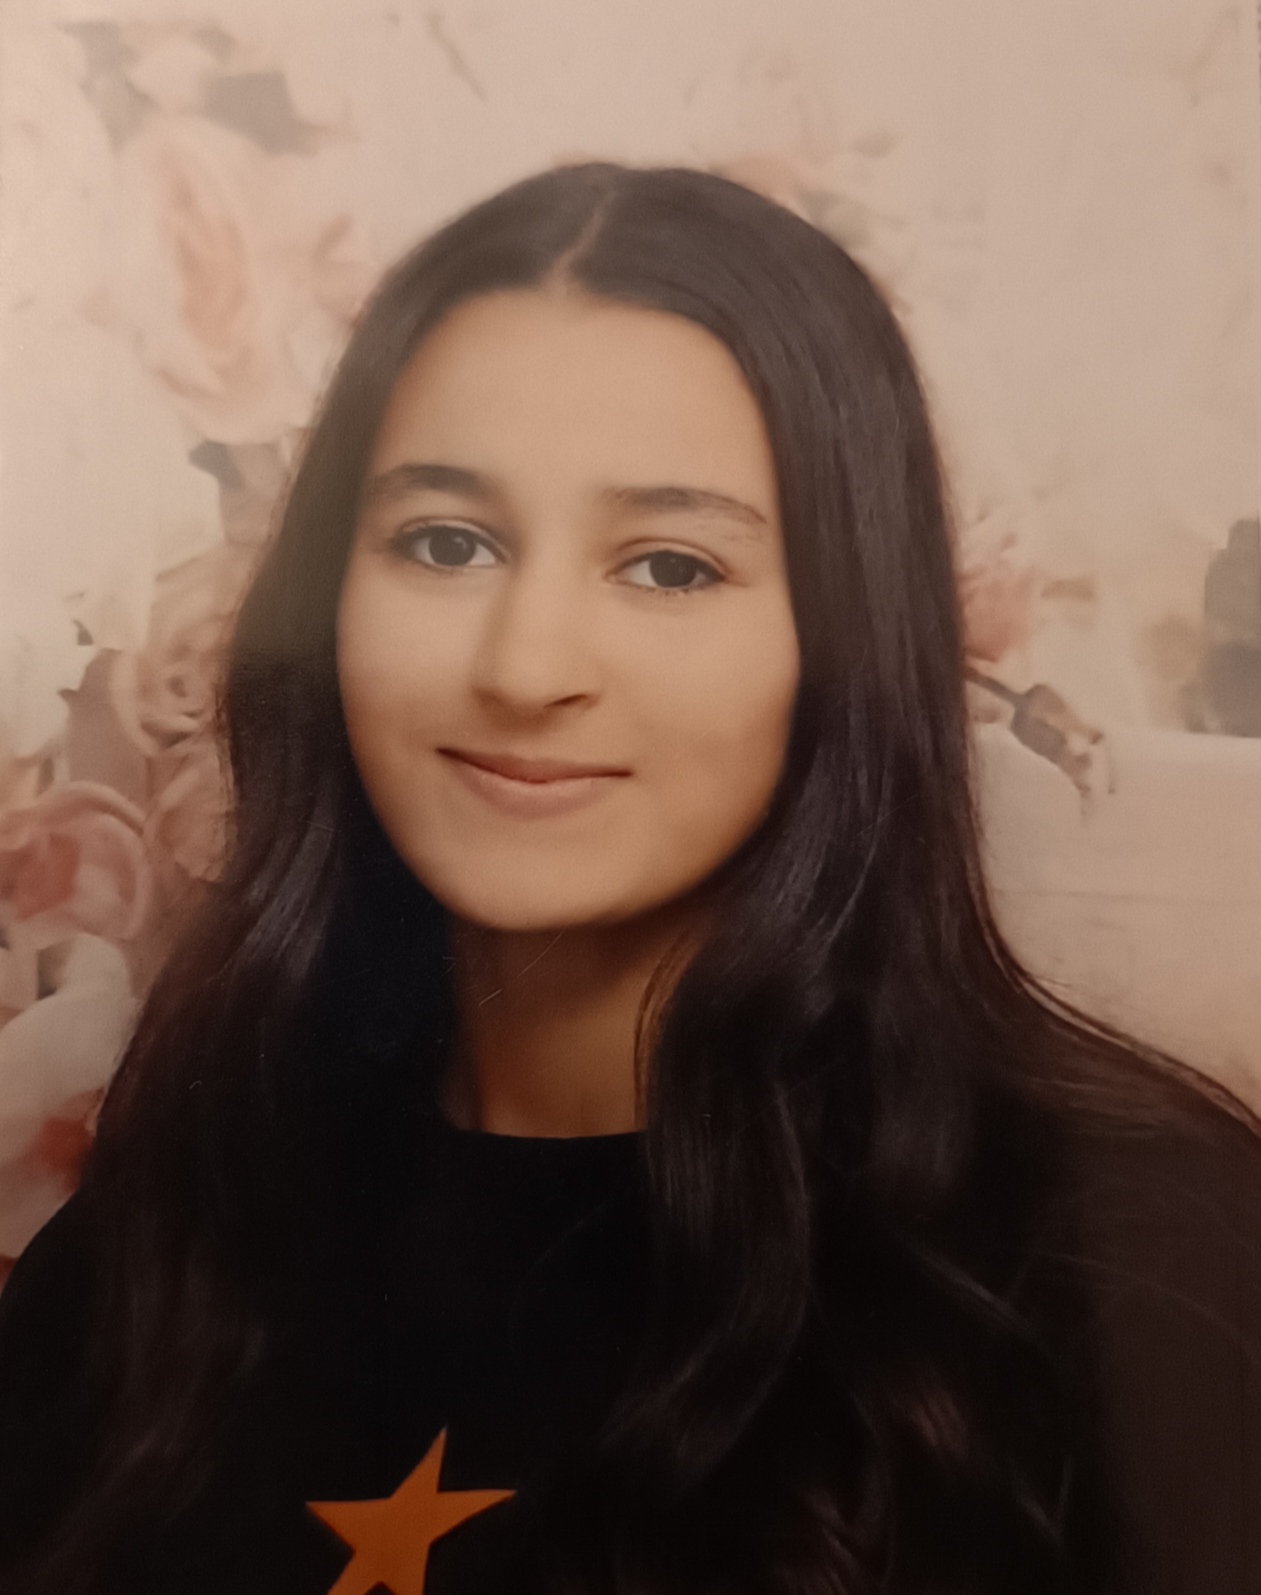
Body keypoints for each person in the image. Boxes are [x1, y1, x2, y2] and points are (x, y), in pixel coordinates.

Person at [0, 162, 1258, 1595]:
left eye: (668, 567)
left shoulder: (1141, 1263)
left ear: (845, 641)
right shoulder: (172, 1231)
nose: (526, 667)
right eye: (446, 543)